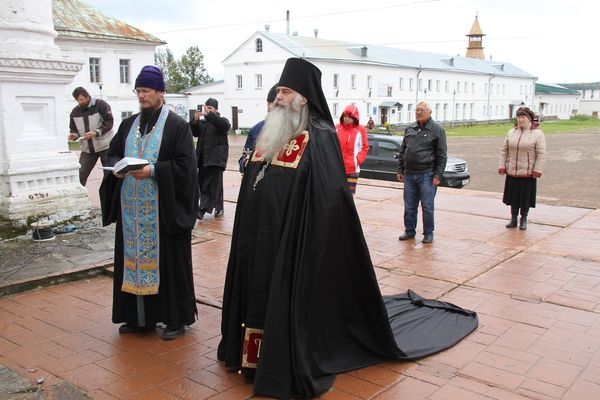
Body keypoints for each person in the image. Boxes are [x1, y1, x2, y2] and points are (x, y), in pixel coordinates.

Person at [218, 58, 477, 399]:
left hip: (294, 240)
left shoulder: (320, 136)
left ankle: (275, 359)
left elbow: (329, 199)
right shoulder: (271, 132)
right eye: (279, 90)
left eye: (286, 91)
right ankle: (248, 355)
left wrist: (297, 227)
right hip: (259, 236)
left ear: (304, 97)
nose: (279, 97)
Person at [99, 66, 199, 340]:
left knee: (169, 265)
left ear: (161, 92)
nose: (141, 96)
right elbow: (113, 152)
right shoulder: (129, 124)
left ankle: (175, 319)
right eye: (139, 91)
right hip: (131, 212)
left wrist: (154, 170)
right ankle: (138, 318)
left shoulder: (177, 126)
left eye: (146, 91)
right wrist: (117, 167)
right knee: (132, 262)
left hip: (164, 211)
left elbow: (186, 167)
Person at [396, 101, 447, 244]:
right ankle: (409, 231)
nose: (418, 112)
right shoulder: (410, 128)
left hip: (427, 175)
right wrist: (400, 169)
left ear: (430, 112)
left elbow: (442, 155)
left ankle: (428, 233)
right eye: (417, 110)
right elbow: (403, 150)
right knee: (409, 206)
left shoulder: (437, 129)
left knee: (427, 207)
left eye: (422, 110)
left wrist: (438, 175)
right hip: (409, 174)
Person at [498, 106, 546, 230]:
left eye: (523, 117)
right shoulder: (511, 132)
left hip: (527, 173)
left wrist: (537, 170)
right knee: (513, 197)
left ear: (529, 118)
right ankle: (513, 219)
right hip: (512, 171)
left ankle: (523, 218)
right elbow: (504, 151)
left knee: (525, 198)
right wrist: (502, 166)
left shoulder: (537, 134)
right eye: (518, 117)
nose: (520, 119)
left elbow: (541, 154)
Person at [190, 98, 231, 220]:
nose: (207, 110)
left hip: (216, 159)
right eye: (206, 108)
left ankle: (201, 210)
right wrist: (195, 120)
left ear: (216, 109)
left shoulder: (222, 121)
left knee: (209, 185)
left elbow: (224, 126)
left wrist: (210, 116)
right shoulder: (203, 123)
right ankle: (219, 207)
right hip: (203, 160)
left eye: (210, 108)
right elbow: (194, 132)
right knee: (211, 185)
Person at [68, 87, 114, 186]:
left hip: (105, 146)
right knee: (80, 173)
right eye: (78, 100)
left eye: (82, 99)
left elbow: (109, 122)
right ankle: (79, 193)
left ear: (87, 96)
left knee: (109, 174)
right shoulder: (74, 112)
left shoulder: (101, 105)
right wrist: (73, 135)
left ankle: (108, 194)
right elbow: (73, 129)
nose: (81, 102)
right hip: (87, 149)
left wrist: (96, 132)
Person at [238, 84, 277, 174]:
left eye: (275, 104)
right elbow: (244, 156)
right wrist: (245, 162)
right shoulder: (256, 129)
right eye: (269, 103)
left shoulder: (295, 132)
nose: (270, 107)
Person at [335, 104, 369, 194]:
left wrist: (357, 161)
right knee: (336, 195)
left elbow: (364, 147)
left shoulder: (360, 130)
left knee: (349, 196)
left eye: (349, 117)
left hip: (352, 170)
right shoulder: (337, 128)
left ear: (354, 118)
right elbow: (331, 145)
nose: (346, 119)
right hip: (337, 168)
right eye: (345, 116)